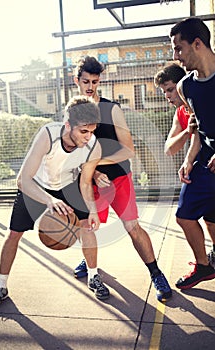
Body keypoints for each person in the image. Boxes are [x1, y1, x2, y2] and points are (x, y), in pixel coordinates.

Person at [0, 95, 108, 312]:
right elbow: (22, 180)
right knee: (13, 233)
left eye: (92, 131)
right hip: (36, 184)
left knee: (87, 225)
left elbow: (86, 184)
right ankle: (1, 286)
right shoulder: (48, 135)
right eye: (83, 131)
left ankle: (93, 276)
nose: (89, 137)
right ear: (68, 125)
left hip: (68, 185)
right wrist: (49, 200)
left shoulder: (93, 147)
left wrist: (93, 211)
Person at [72, 56, 172, 302]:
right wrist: (93, 172)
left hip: (118, 179)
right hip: (90, 181)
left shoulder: (111, 109)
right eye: (86, 81)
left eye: (95, 81)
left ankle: (156, 273)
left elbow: (128, 150)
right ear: (76, 81)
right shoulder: (72, 112)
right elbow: (74, 153)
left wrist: (97, 164)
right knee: (87, 227)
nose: (90, 86)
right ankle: (89, 261)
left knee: (132, 228)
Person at [169, 17, 215, 290]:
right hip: (205, 158)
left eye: (178, 48)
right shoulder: (186, 86)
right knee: (185, 215)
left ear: (197, 44)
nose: (176, 56)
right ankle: (204, 265)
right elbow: (196, 126)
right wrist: (188, 159)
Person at [154, 63, 215, 265]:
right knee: (208, 217)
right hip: (204, 164)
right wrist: (186, 131)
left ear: (182, 85)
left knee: (195, 216)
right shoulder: (180, 113)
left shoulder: (201, 99)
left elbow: (200, 137)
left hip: (208, 162)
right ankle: (206, 262)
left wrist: (189, 159)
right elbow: (169, 148)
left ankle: (204, 264)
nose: (168, 96)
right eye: (164, 92)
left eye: (170, 89)